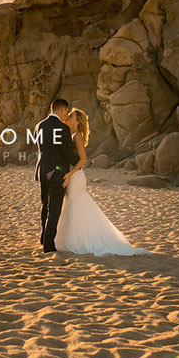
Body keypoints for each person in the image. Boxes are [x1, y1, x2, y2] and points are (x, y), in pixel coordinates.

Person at [54, 107, 148, 256]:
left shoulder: (76, 136)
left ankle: (78, 241)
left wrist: (70, 174)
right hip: (74, 176)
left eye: (71, 116)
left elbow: (83, 159)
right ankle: (72, 239)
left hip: (76, 176)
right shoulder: (70, 135)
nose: (68, 117)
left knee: (75, 206)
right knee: (75, 207)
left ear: (77, 122)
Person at [34, 98, 79, 253]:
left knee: (44, 206)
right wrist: (79, 160)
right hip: (57, 173)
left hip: (42, 171)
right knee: (54, 210)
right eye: (65, 111)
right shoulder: (62, 128)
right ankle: (48, 245)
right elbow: (67, 153)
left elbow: (42, 149)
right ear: (61, 110)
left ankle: (43, 237)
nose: (66, 115)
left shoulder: (39, 125)